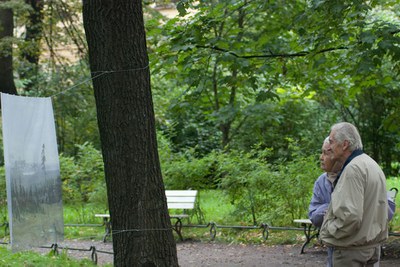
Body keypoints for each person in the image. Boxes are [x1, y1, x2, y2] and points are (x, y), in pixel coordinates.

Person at [309, 136, 395, 267]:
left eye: (326, 153)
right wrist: (331, 210)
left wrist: (365, 207)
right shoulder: (321, 182)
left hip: (361, 247)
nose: (321, 157)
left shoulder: (358, 172)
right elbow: (313, 215)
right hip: (337, 247)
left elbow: (387, 209)